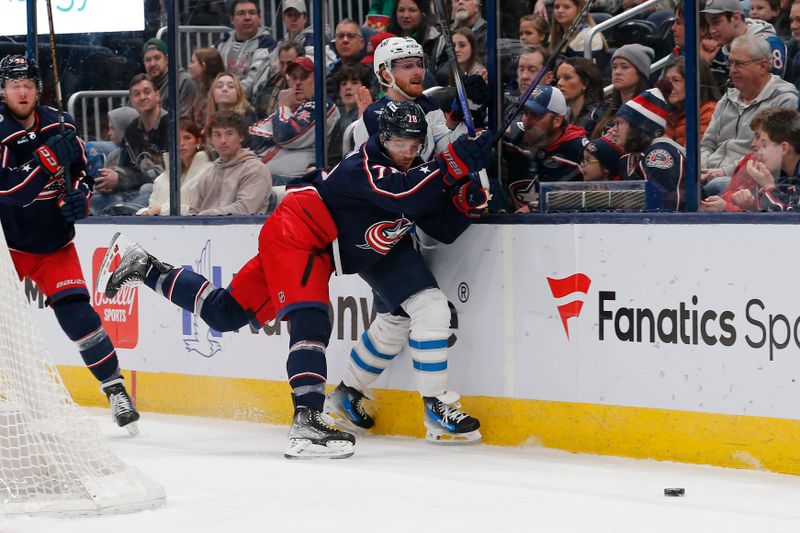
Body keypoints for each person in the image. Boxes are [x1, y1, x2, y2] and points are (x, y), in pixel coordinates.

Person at [96, 101, 493, 458]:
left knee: (224, 313)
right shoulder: (364, 166)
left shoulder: (420, 174)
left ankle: (145, 267)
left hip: (316, 245)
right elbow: (403, 196)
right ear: (380, 138)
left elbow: (437, 222)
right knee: (312, 319)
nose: (406, 151)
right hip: (300, 233)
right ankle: (306, 422)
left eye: (413, 143)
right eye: (397, 142)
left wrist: (465, 201)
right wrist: (451, 165)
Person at [0, 55, 139, 432]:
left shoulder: (60, 123)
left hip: (53, 243)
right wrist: (46, 160)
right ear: (3, 90)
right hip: (6, 246)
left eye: (28, 83)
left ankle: (115, 390)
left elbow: (80, 175)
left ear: (38, 87)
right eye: (14, 84)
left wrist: (77, 198)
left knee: (80, 318)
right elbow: (9, 191)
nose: (22, 90)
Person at [352, 37, 488, 162]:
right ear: (387, 75)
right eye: (408, 66)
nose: (418, 71)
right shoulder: (372, 118)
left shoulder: (428, 105)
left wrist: (471, 110)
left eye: (419, 64)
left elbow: (447, 151)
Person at [700, 34, 797, 195]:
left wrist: (725, 171)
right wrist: (701, 169)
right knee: (665, 151)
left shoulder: (784, 99)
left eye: (739, 64)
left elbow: (771, 156)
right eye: (730, 63)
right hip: (710, 170)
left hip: (748, 179)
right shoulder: (727, 97)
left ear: (763, 66)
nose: (732, 70)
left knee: (717, 185)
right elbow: (707, 144)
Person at [249, 56, 340, 187]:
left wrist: (282, 108)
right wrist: (278, 129)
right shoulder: (289, 110)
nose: (297, 82)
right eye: (294, 77)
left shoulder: (321, 105)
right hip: (268, 179)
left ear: (317, 80)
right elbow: (251, 134)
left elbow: (285, 136)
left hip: (296, 183)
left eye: (304, 77)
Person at [92, 74, 168, 215]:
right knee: (95, 200)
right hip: (133, 189)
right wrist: (111, 178)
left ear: (157, 95)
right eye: (136, 94)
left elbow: (167, 173)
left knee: (146, 189)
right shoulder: (132, 130)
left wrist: (121, 179)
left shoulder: (170, 125)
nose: (142, 97)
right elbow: (124, 166)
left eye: (147, 92)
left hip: (161, 193)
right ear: (131, 101)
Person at [504, 85, 587, 211]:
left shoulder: (579, 151)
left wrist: (536, 207)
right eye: (525, 113)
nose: (527, 121)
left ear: (557, 120)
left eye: (536, 116)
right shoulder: (511, 138)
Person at [615, 82, 687, 211]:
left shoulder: (659, 154)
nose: (613, 130)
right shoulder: (629, 159)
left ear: (638, 128)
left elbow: (666, 209)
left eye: (620, 123)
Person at [191, 111, 272, 216]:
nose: (223, 140)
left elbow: (245, 209)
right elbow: (193, 210)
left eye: (229, 134)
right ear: (211, 139)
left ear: (241, 137)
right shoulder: (208, 173)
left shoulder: (255, 169)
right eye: (217, 135)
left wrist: (205, 215)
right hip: (205, 229)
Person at [701, 0, 786, 86]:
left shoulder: (769, 44)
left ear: (736, 18)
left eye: (716, 22)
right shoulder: (717, 48)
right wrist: (704, 64)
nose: (712, 30)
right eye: (709, 24)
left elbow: (770, 92)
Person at [139, 118, 213, 216]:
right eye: (177, 139)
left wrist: (161, 210)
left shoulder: (209, 171)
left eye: (187, 138)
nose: (181, 143)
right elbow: (152, 207)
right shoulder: (162, 178)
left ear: (198, 142)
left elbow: (200, 209)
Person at [591, 44, 652, 138]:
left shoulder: (650, 112)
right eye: (614, 67)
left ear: (640, 73)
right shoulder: (604, 108)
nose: (617, 72)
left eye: (624, 67)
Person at [215, 0, 276, 91]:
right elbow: (211, 76)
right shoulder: (221, 44)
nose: (247, 17)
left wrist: (227, 94)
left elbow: (252, 83)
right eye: (241, 13)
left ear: (259, 18)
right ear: (232, 19)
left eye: (252, 13)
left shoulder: (267, 44)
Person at [663, 56, 720, 147]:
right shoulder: (667, 110)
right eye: (666, 80)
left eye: (676, 80)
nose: (668, 86)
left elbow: (697, 154)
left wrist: (665, 142)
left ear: (695, 83)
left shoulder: (709, 112)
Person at [142, 38, 197, 118]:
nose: (152, 64)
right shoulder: (142, 85)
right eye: (148, 60)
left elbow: (184, 120)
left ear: (167, 59)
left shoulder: (183, 81)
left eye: (157, 58)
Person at [550, 0, 608, 69]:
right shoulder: (554, 36)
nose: (560, 10)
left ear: (579, 10)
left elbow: (588, 73)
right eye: (557, 7)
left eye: (566, 7)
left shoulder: (590, 37)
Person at [555, 57, 606, 134]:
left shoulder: (597, 117)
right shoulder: (563, 115)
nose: (559, 83)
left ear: (585, 83)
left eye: (567, 78)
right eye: (558, 78)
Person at [205, 72, 258, 137]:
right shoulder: (212, 116)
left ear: (238, 93)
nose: (224, 89)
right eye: (219, 86)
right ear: (213, 93)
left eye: (231, 86)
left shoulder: (247, 117)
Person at [187, 48, 225, 131]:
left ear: (204, 66)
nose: (189, 66)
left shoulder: (216, 93)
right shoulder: (200, 89)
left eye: (193, 62)